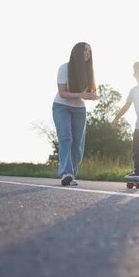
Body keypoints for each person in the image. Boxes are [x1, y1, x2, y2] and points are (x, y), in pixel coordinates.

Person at [52, 42, 99, 186]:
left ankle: (71, 173)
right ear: (77, 52)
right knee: (66, 138)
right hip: (61, 107)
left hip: (79, 109)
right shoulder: (64, 68)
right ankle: (66, 173)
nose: (87, 53)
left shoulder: (88, 71)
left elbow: (87, 93)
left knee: (78, 145)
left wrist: (91, 96)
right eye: (85, 50)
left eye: (89, 51)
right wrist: (81, 94)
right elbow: (62, 93)